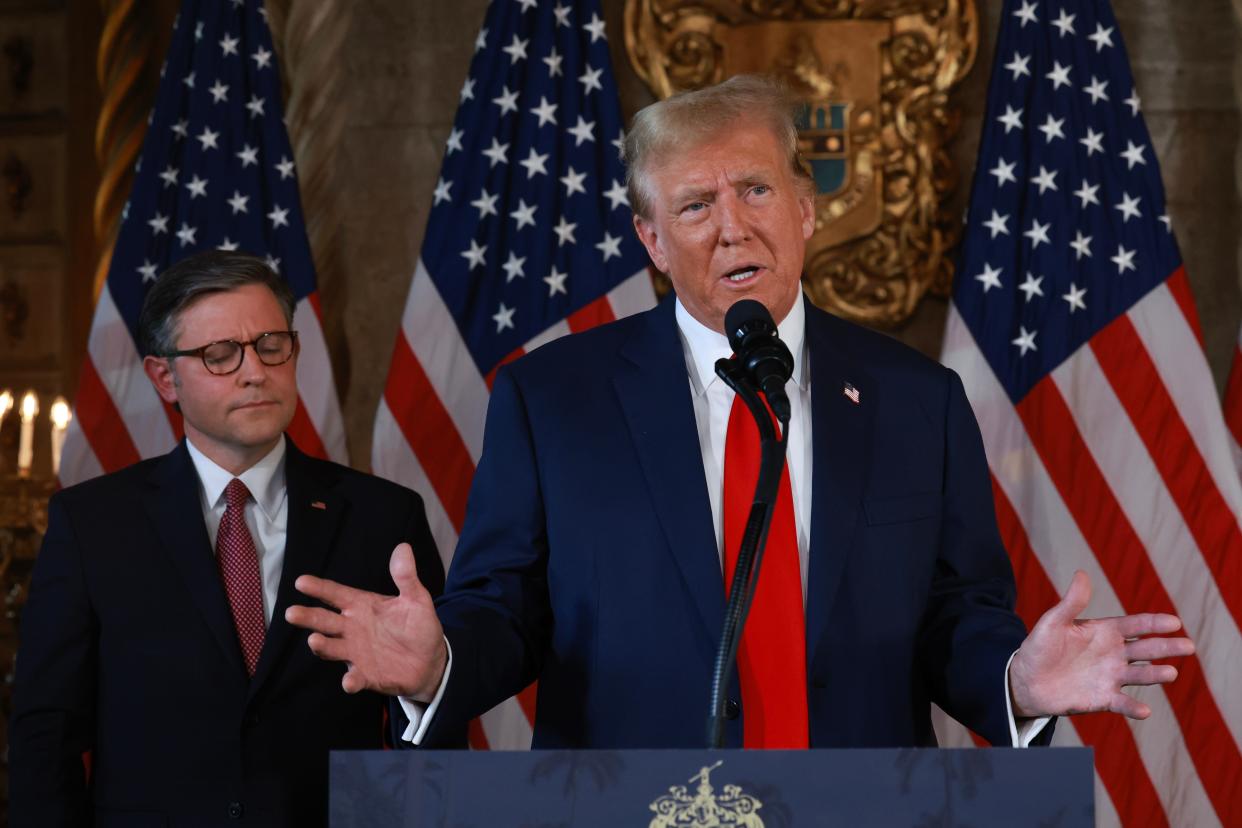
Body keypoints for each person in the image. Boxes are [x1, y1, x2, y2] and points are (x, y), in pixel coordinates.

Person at [287, 75, 1193, 750]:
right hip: (631, 806)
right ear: (651, 240)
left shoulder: (919, 400)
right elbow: (507, 610)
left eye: (756, 190)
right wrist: (437, 662)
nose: (732, 226)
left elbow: (957, 615)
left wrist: (1016, 680)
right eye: (693, 205)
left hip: (860, 808)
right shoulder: (551, 401)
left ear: (804, 208)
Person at [9, 251, 445, 826]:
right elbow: (46, 739)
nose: (254, 371)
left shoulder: (384, 516)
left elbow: (435, 736)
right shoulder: (91, 524)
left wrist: (430, 683)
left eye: (270, 345)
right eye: (220, 355)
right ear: (165, 378)